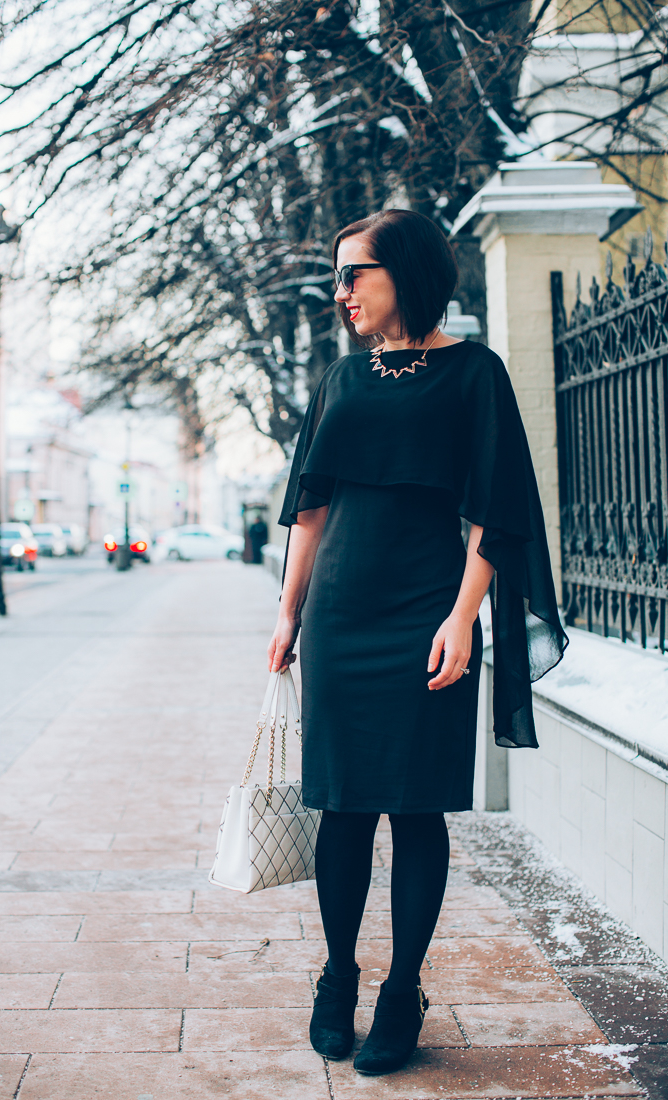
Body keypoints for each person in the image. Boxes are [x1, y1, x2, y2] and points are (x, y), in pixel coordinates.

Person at [267, 209, 567, 1077]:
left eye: (355, 272)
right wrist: (288, 613)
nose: (342, 291)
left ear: (405, 270)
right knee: (343, 807)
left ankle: (402, 992)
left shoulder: (473, 374)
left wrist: (462, 615)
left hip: (427, 609)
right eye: (337, 277)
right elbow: (309, 509)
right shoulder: (339, 378)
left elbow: (494, 510)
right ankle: (336, 979)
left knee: (417, 807)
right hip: (339, 613)